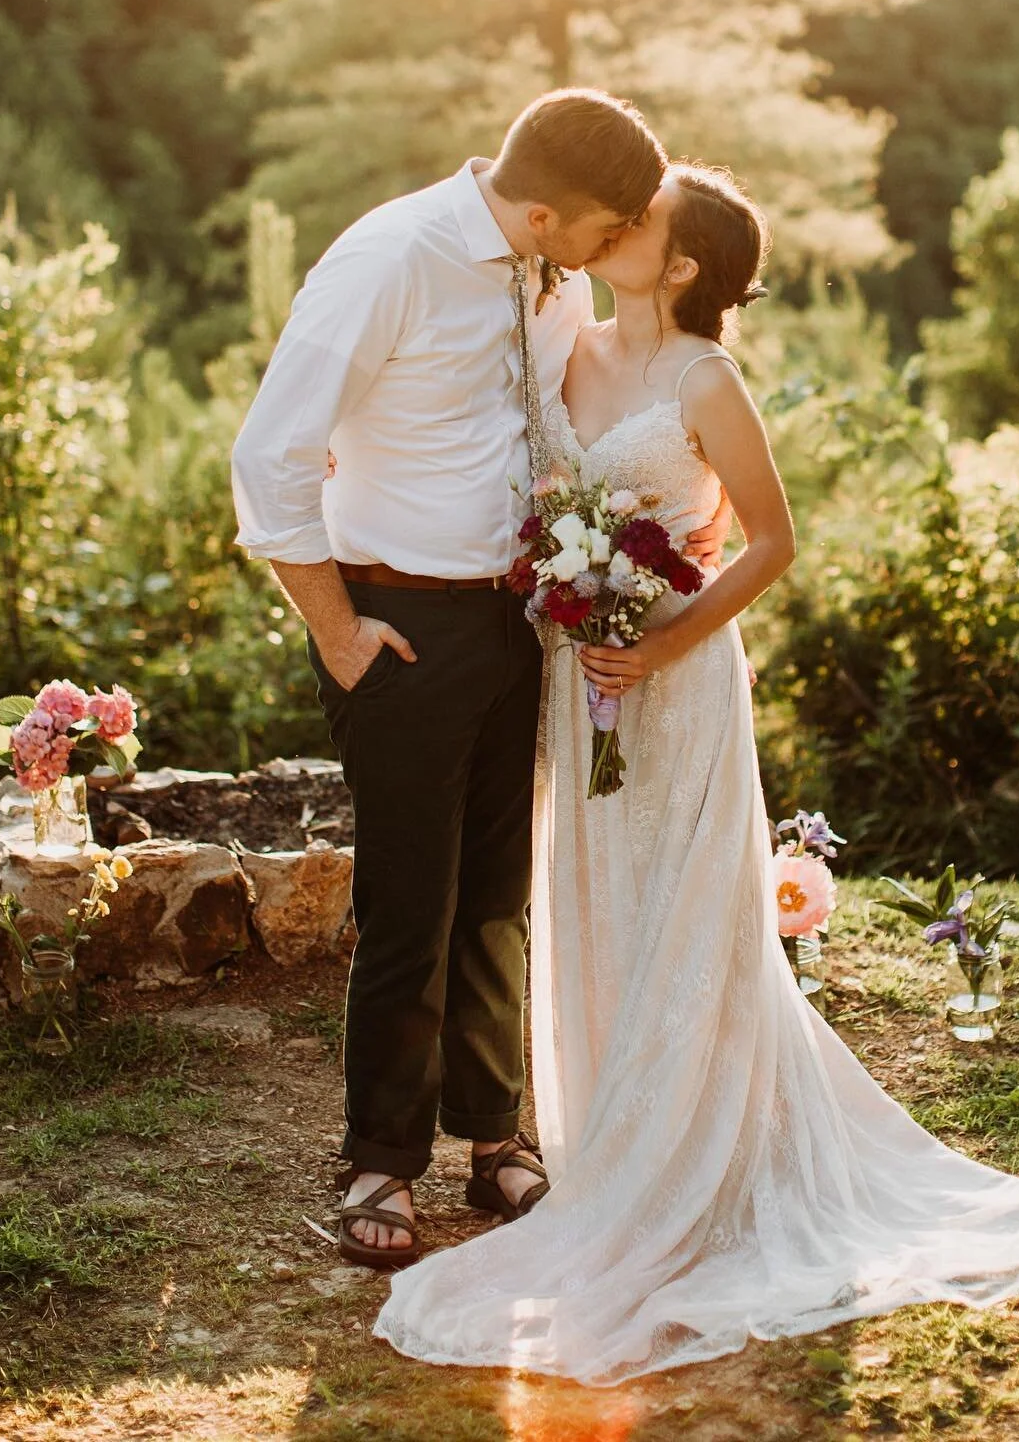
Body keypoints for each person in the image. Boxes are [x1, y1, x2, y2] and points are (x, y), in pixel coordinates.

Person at [374, 163, 1019, 1383]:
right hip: (580, 678)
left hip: (676, 686)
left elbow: (771, 539)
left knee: (685, 908)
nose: (617, 229)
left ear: (678, 268)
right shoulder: (565, 346)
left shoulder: (705, 379)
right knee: (597, 902)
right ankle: (618, 1142)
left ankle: (696, 1159)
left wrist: (661, 637)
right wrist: (572, 611)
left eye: (645, 224)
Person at [231, 89, 729, 1267]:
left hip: (520, 624)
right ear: (549, 211)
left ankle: (494, 1140)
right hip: (396, 624)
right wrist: (341, 631)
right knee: (412, 904)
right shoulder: (390, 259)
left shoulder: (544, 273)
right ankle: (379, 1164)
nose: (615, 254)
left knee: (499, 898)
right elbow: (271, 453)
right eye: (606, 233)